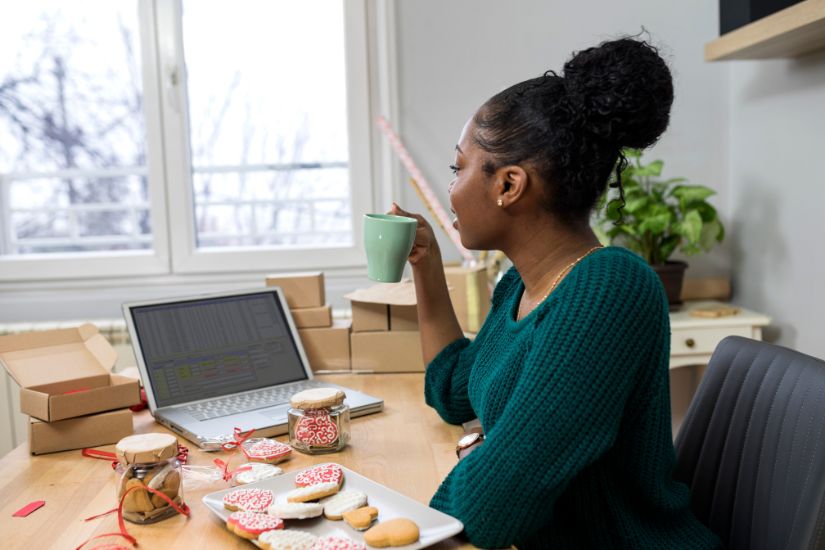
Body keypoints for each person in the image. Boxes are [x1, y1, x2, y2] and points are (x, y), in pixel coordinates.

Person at [390, 38, 722, 548]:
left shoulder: (610, 289)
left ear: (509, 186)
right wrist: (427, 266)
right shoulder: (520, 284)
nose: (451, 186)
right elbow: (453, 391)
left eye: (458, 167)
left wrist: (490, 460)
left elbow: (495, 503)